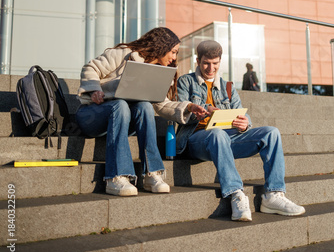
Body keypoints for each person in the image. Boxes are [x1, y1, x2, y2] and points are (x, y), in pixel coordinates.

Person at [176, 40, 305, 221]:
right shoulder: (185, 81)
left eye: (215, 63)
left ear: (220, 61)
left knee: (271, 133)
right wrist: (203, 110)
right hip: (195, 140)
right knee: (217, 134)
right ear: (198, 60)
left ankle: (273, 195)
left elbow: (240, 112)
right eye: (206, 63)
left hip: (226, 138)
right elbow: (180, 112)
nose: (210, 68)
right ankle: (236, 193)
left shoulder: (228, 87)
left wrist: (246, 123)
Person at [76, 27, 202, 197]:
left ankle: (151, 174)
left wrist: (188, 107)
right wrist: (94, 90)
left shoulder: (155, 72)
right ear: (161, 46)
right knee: (120, 105)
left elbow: (161, 104)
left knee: (144, 106)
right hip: (92, 115)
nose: (174, 57)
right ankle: (116, 177)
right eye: (173, 52)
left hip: (122, 119)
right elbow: (90, 68)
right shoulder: (123, 54)